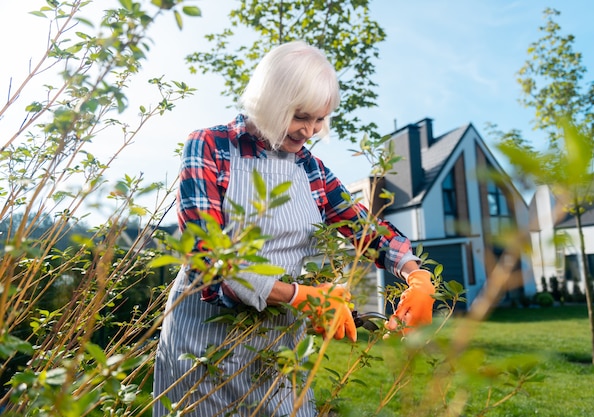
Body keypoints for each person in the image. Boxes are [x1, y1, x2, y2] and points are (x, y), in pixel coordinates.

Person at [153, 41, 435, 417]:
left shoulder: (310, 169)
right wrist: (303, 296)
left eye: (319, 120)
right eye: (302, 116)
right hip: (204, 344)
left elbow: (367, 231)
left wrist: (417, 275)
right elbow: (207, 261)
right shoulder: (210, 147)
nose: (311, 131)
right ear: (271, 99)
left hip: (279, 347)